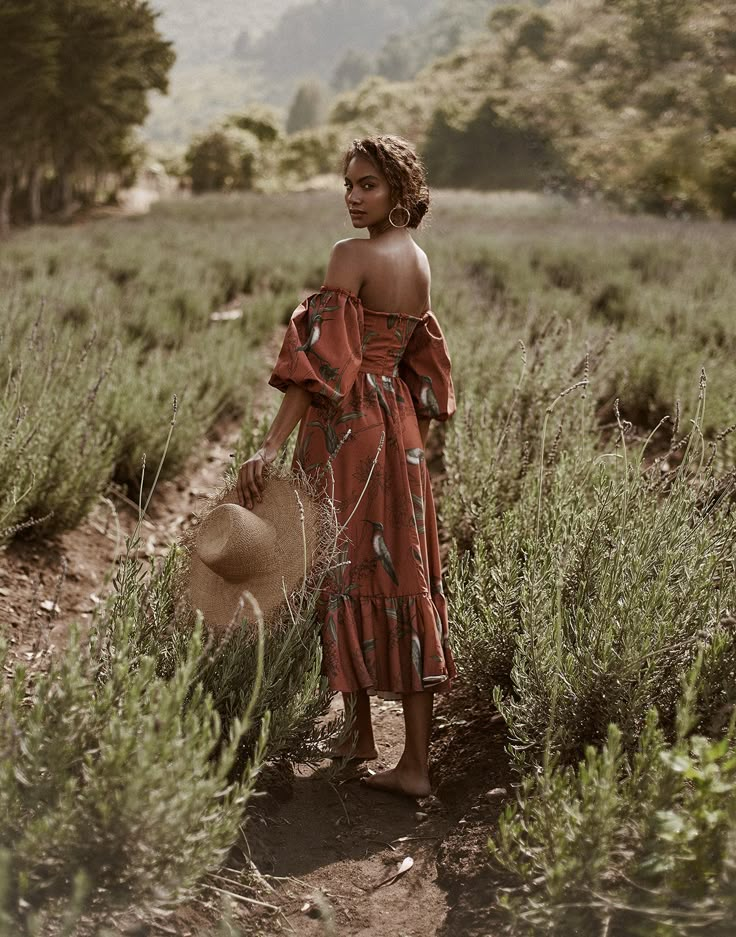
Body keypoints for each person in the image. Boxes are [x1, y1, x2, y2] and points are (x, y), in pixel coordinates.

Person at [236, 135, 456, 798]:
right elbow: (419, 365)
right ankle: (371, 740)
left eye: (368, 185)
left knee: (341, 563)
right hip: (399, 430)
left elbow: (319, 368)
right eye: (349, 184)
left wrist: (268, 446)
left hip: (350, 426)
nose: (354, 197)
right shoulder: (417, 260)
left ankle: (406, 762)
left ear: (400, 192)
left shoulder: (350, 257)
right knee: (397, 568)